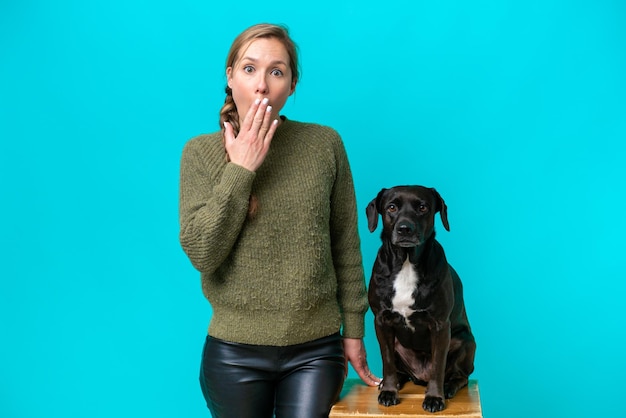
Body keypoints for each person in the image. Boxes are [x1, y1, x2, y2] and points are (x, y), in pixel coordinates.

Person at [179, 23, 380, 418]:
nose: (262, 85)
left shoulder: (324, 144)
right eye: (250, 68)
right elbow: (203, 252)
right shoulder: (199, 154)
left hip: (315, 350)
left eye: (277, 71)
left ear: (292, 85)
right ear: (230, 76)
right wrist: (241, 168)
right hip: (233, 354)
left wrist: (353, 328)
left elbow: (344, 242)